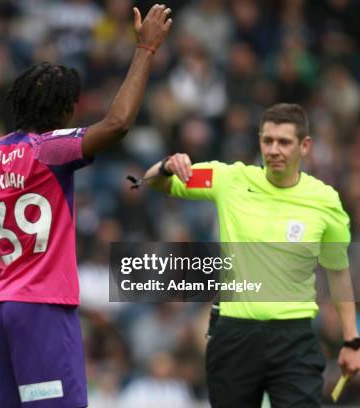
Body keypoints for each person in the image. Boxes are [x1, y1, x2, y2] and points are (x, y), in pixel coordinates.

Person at [0, 4, 172, 407]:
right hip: (43, 307)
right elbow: (117, 124)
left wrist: (10, 291)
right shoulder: (51, 147)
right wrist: (145, 50)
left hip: (3, 306)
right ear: (63, 111)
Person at [143, 103, 360, 407]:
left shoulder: (325, 201)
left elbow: (337, 272)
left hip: (293, 338)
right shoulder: (230, 179)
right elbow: (152, 181)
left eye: (284, 142)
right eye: (267, 140)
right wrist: (168, 164)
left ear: (305, 145)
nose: (274, 150)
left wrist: (352, 341)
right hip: (234, 336)